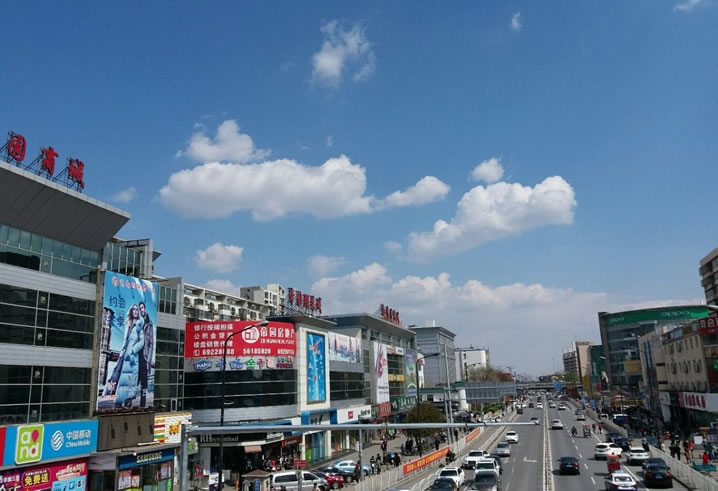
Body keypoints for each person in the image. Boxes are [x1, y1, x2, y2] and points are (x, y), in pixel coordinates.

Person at [113, 304, 145, 408]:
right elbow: (125, 341)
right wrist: (122, 352)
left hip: (133, 357)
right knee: (122, 378)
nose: (135, 311)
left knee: (131, 379)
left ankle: (128, 403)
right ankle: (119, 401)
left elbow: (142, 342)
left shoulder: (139, 325)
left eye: (137, 309)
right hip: (125, 354)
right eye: (133, 309)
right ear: (131, 311)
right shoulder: (128, 324)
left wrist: (133, 350)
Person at [138, 301, 154, 407]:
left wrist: (148, 360)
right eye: (140, 308)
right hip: (136, 355)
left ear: (145, 308)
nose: (141, 310)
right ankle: (128, 404)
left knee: (144, 383)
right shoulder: (137, 321)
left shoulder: (150, 323)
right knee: (133, 380)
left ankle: (142, 405)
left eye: (142, 308)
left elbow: (151, 344)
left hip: (145, 356)